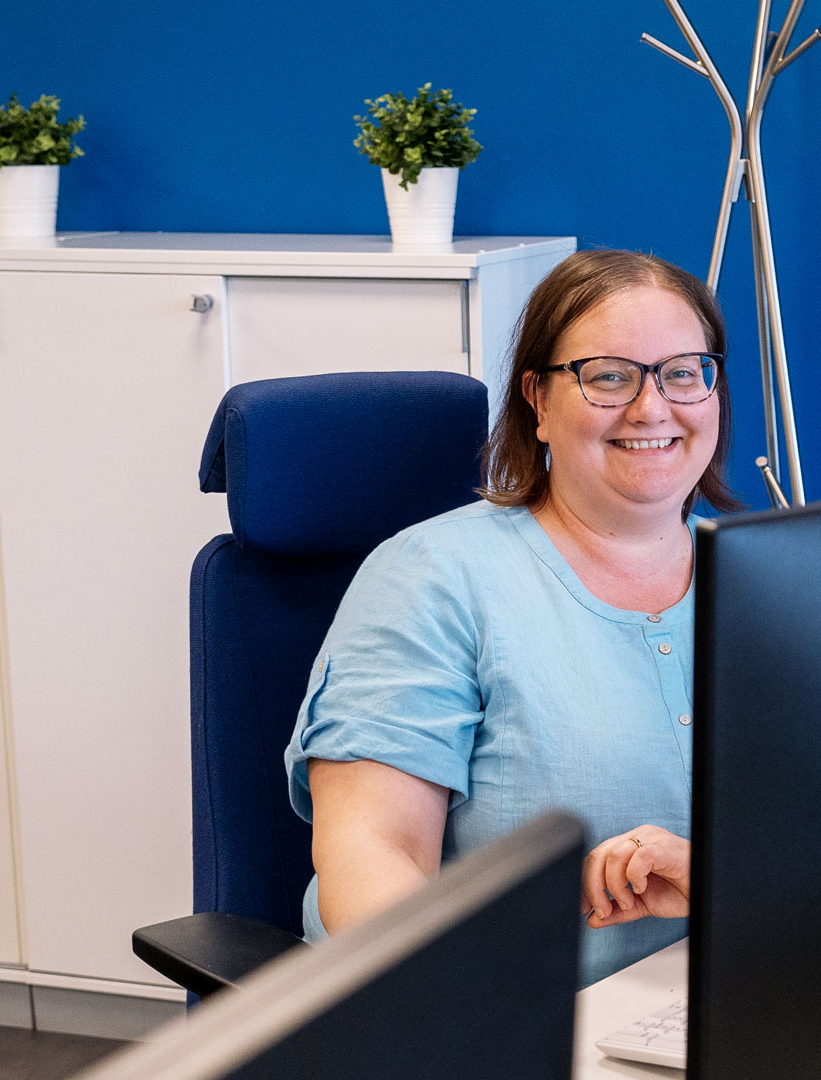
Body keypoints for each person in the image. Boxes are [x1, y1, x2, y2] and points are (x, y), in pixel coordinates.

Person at [283, 249, 743, 986]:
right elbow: (371, 864)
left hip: (708, 1006)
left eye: (683, 372)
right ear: (538, 399)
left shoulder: (767, 576)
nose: (652, 407)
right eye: (609, 375)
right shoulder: (435, 578)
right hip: (488, 1019)